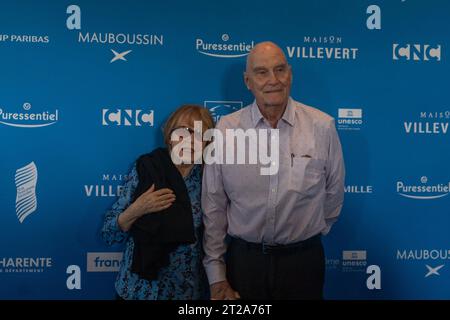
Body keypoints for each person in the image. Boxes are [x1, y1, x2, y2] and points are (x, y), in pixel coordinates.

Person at [202, 41, 345, 300]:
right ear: (248, 81)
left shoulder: (322, 126)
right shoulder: (226, 129)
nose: (273, 80)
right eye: (261, 72)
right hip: (244, 264)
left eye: (280, 70)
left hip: (304, 263)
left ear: (290, 74)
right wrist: (216, 272)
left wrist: (308, 234)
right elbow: (214, 204)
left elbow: (334, 193)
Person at [102, 105, 214, 300]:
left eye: (198, 133)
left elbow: (217, 242)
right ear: (169, 136)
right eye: (182, 131)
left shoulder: (210, 178)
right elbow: (109, 234)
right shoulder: (146, 167)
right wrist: (136, 209)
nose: (188, 139)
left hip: (185, 292)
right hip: (137, 290)